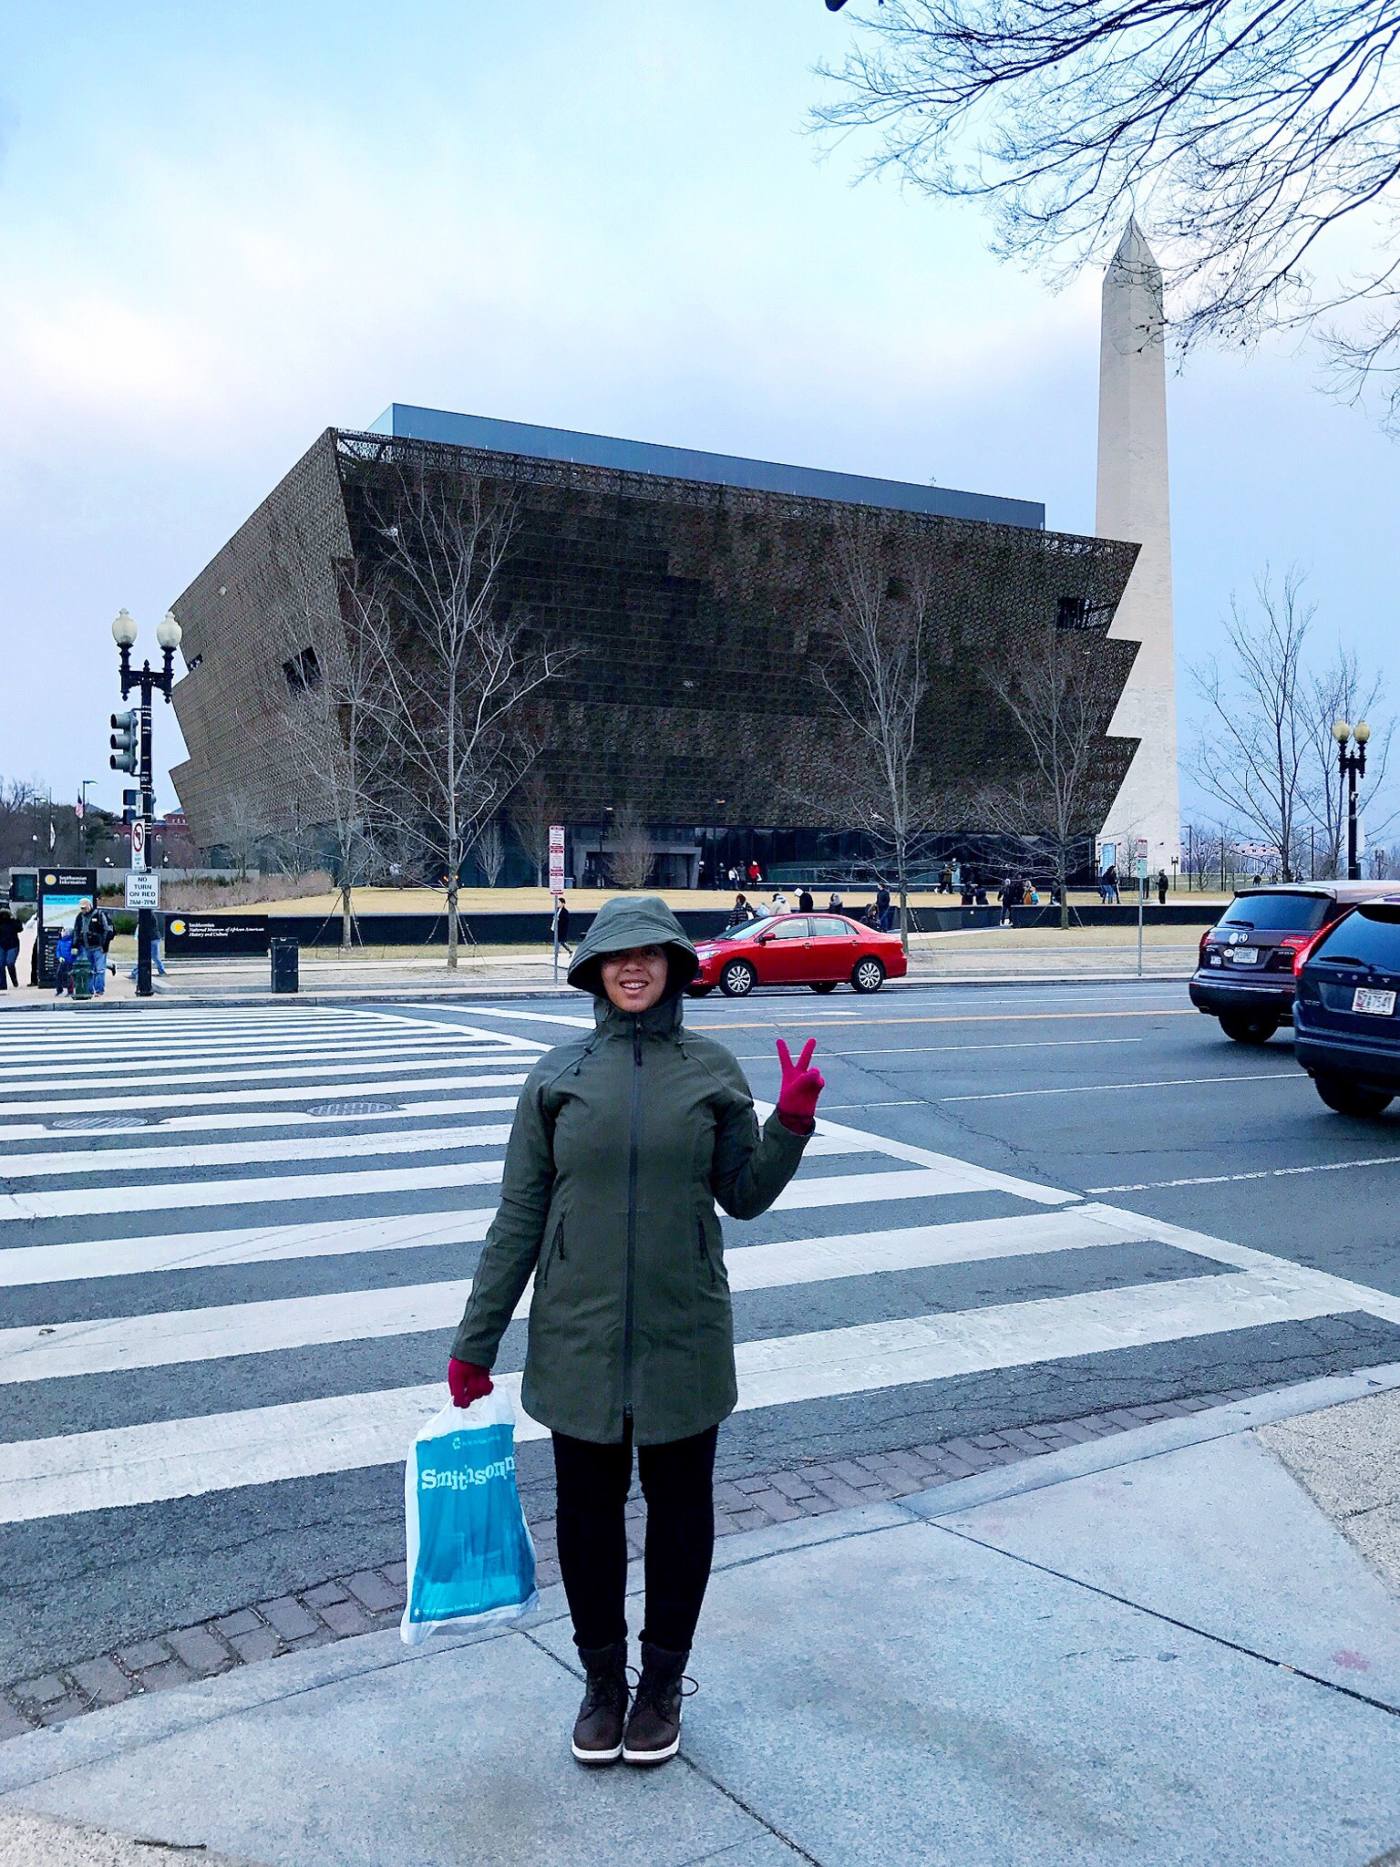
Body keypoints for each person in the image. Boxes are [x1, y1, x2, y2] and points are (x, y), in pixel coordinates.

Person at [445, 897, 824, 1768]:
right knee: (586, 1517)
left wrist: (789, 1124)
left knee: (682, 1515)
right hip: (577, 1339)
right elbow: (519, 1215)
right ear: (594, 972)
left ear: (674, 968)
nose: (634, 968)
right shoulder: (557, 1075)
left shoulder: (712, 1069)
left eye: (651, 955)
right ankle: (602, 1681)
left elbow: (745, 1192)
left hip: (684, 1332)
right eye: (618, 957)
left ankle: (660, 1684)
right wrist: (477, 1340)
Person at [0, 906, 20, 990]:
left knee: (10, 963)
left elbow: (20, 928)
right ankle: (2, 985)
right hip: (1, 945)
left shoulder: (13, 922)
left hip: (12, 945)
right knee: (0, 964)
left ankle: (14, 980)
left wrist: (14, 917)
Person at [53, 928, 74, 997]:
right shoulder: (60, 941)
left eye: (63, 931)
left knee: (69, 976)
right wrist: (59, 957)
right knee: (58, 974)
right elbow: (58, 951)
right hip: (62, 961)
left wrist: (71, 958)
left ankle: (70, 991)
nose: (61, 933)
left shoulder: (71, 941)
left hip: (70, 961)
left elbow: (73, 952)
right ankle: (59, 989)